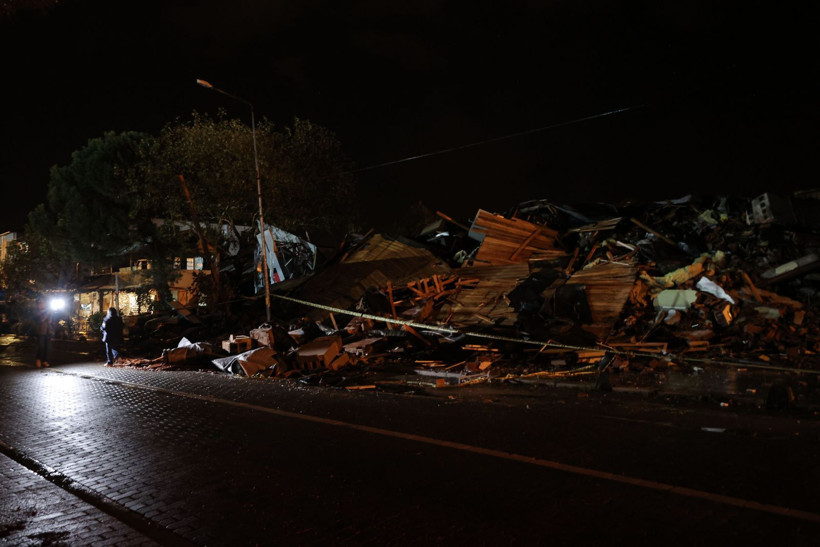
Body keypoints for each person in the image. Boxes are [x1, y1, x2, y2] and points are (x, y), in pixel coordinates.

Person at [34, 300, 53, 368]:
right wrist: (46, 314)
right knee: (41, 347)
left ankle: (45, 361)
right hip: (41, 331)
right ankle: (38, 359)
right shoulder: (36, 312)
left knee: (47, 348)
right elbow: (41, 320)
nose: (42, 305)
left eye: (43, 304)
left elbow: (51, 321)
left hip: (48, 331)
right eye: (41, 304)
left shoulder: (48, 312)